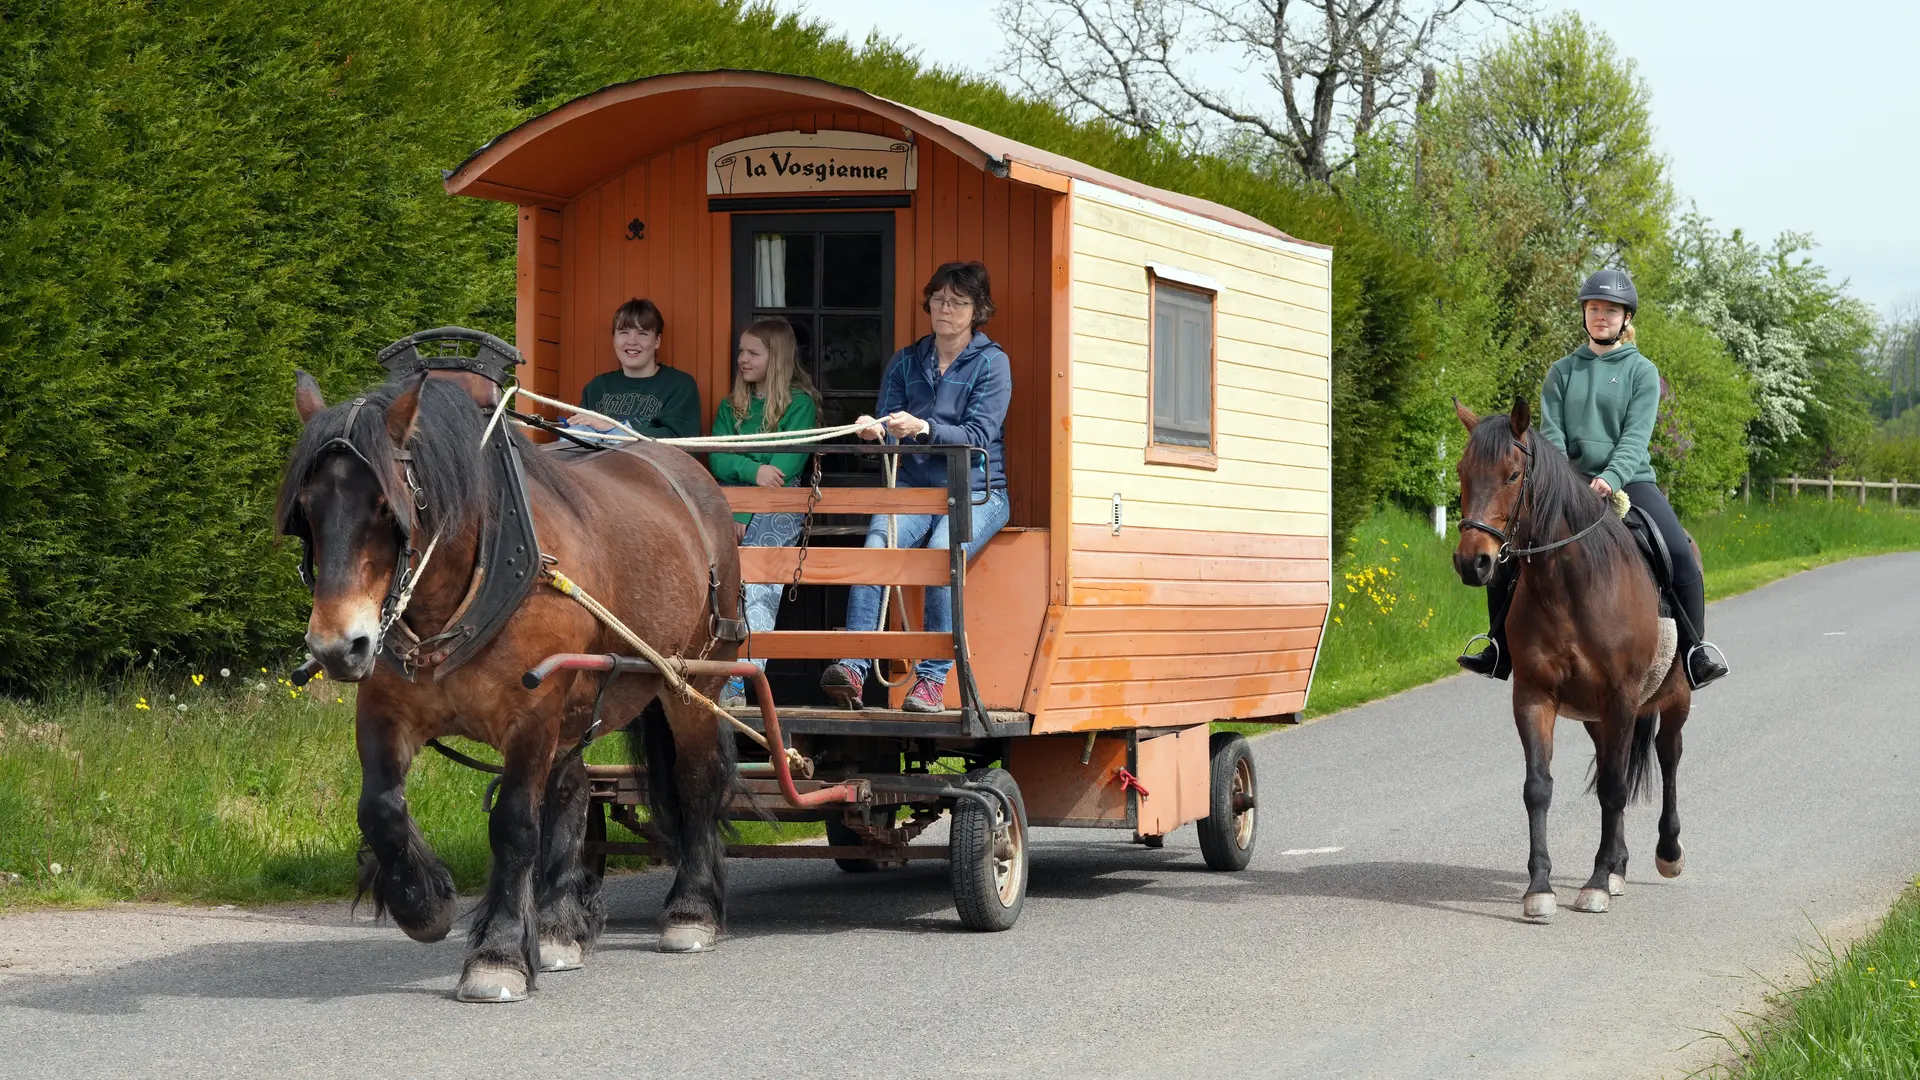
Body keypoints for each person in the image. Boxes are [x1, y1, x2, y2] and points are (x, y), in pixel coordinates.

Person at [1458, 268, 1730, 689]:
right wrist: (1569, 481)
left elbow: (1636, 436)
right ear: (1584, 314)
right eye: (1594, 308)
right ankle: (1498, 647)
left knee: (1677, 549)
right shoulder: (1562, 372)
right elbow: (1554, 434)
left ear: (1625, 318)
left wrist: (1611, 477)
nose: (1601, 316)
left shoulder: (1642, 372)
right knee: (1509, 551)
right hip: (1567, 484)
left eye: (1610, 310)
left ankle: (1695, 653)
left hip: (1631, 480)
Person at [818, 261, 1013, 712]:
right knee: (875, 550)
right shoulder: (906, 360)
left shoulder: (992, 362)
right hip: (913, 489)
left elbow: (979, 436)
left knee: (939, 556)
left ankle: (930, 680)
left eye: (958, 302)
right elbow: (889, 431)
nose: (945, 309)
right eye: (939, 299)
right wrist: (873, 431)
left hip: (976, 492)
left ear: (977, 310)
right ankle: (853, 666)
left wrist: (924, 427)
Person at [706, 318, 820, 708]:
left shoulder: (800, 404)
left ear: (778, 358)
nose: (742, 359)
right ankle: (706, 671)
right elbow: (718, 460)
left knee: (756, 582)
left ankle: (738, 683)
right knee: (713, 580)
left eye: (753, 352)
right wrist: (751, 469)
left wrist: (745, 492)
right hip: (731, 502)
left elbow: (783, 469)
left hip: (777, 507)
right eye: (741, 351)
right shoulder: (730, 406)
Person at [571, 298, 701, 439]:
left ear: (657, 341)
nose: (632, 341)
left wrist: (614, 428)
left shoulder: (679, 386)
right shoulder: (596, 387)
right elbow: (577, 438)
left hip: (646, 460)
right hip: (593, 460)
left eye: (642, 333)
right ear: (614, 339)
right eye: (623, 332)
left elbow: (683, 444)